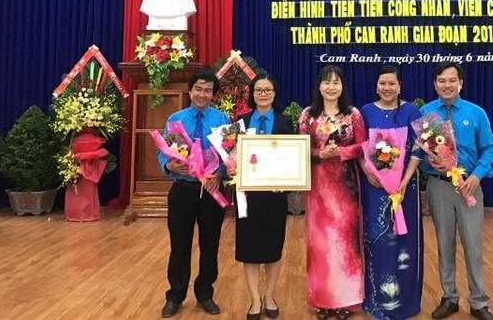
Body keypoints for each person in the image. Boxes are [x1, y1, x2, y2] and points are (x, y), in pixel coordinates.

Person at [419, 62, 493, 320]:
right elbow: (420, 150)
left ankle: (479, 302)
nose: (447, 85)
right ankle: (449, 297)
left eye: (452, 80)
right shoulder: (427, 113)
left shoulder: (476, 113)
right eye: (442, 80)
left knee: (473, 245)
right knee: (444, 244)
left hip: (469, 186)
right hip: (439, 186)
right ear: (435, 84)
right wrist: (428, 160)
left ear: (461, 83)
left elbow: (490, 148)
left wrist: (477, 175)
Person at [157, 70, 230, 318]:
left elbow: (230, 155)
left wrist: (219, 174)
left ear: (213, 94)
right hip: (182, 191)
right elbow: (163, 152)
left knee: (210, 245)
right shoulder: (175, 120)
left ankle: (205, 294)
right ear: (190, 91)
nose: (202, 94)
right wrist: (169, 165)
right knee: (179, 246)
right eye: (198, 89)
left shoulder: (222, 120)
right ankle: (175, 296)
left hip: (211, 192)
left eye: (208, 90)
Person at [298, 65, 366, 320]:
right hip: (318, 187)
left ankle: (345, 301)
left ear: (342, 86)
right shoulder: (308, 115)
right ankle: (323, 300)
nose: (331, 87)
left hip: (345, 188)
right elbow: (300, 148)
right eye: (326, 82)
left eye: (336, 82)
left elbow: (363, 146)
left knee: (345, 243)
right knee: (320, 244)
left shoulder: (353, 115)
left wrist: (341, 152)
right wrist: (320, 154)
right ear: (319, 86)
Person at [359, 65, 424, 319]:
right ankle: (376, 301)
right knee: (377, 240)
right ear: (376, 86)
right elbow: (359, 148)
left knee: (404, 242)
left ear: (400, 86)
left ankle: (405, 303)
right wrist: (368, 172)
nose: (387, 88)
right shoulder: (365, 112)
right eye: (382, 83)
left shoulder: (412, 111)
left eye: (392, 83)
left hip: (405, 190)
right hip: (374, 188)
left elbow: (419, 149)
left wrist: (405, 180)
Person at [230, 74, 294, 320]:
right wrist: (232, 166)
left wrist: (286, 180)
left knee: (273, 247)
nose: (263, 94)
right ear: (252, 93)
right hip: (248, 195)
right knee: (249, 248)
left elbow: (292, 158)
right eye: (258, 90)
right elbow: (232, 154)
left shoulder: (285, 121)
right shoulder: (241, 122)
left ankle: (269, 296)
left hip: (275, 195)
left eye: (268, 90)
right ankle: (255, 299)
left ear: (275, 93)